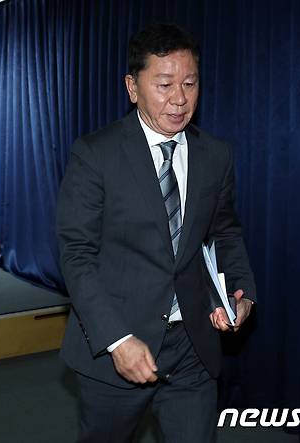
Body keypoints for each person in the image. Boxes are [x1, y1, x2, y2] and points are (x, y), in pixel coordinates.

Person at [56, 23, 256, 443]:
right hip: (116, 348)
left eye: (190, 82)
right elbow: (76, 255)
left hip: (192, 347)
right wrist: (116, 340)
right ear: (132, 87)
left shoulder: (215, 154)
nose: (180, 99)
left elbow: (224, 232)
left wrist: (240, 289)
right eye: (164, 84)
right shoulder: (95, 153)